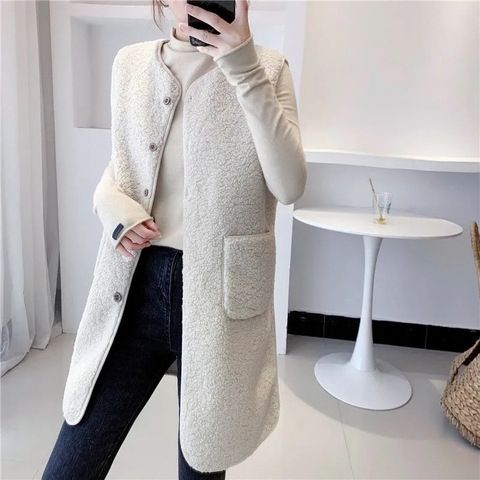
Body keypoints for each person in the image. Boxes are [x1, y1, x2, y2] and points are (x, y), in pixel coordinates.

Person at [41, 0, 306, 478]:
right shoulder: (130, 64)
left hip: (219, 296)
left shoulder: (267, 68)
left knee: (202, 459)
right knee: (70, 465)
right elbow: (122, 165)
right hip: (134, 285)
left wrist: (242, 65)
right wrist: (109, 204)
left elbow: (289, 186)